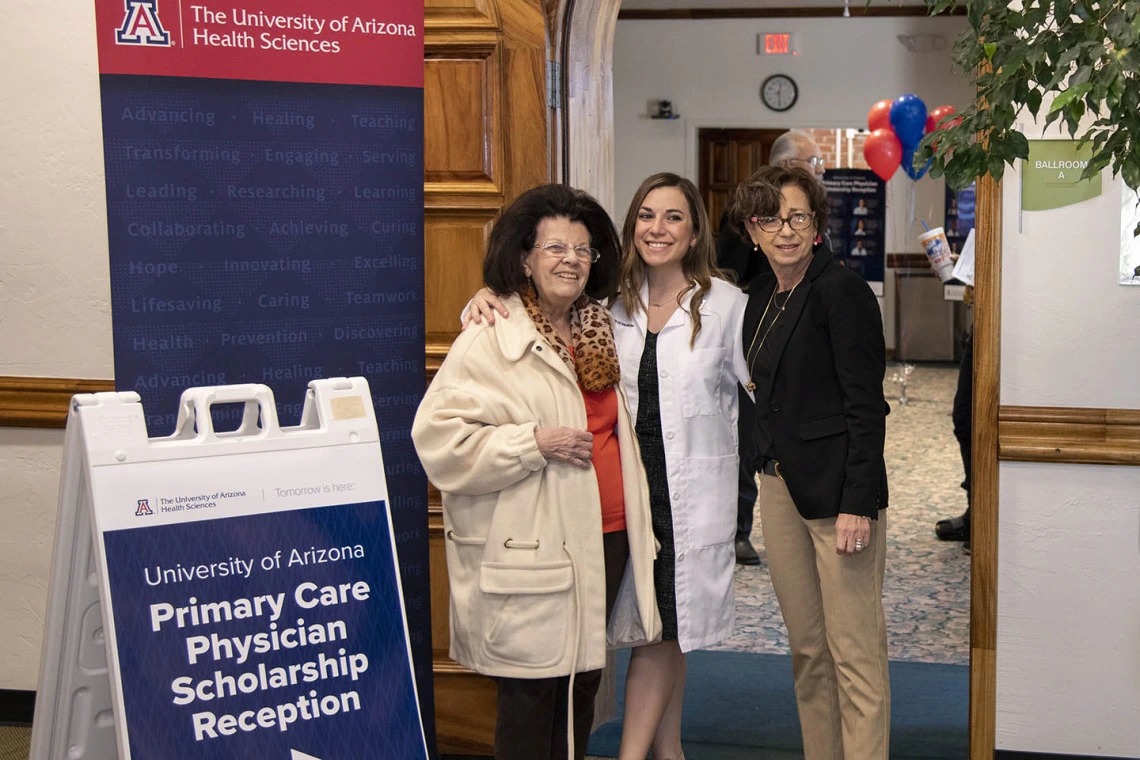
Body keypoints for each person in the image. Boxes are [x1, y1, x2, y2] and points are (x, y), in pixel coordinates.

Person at [467, 174, 750, 760]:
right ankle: (666, 750)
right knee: (648, 629)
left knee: (667, 628)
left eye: (674, 216)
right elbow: (534, 328)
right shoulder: (606, 309)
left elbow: (763, 392)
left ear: (695, 229)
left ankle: (637, 753)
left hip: (690, 497)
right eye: (646, 215)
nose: (658, 228)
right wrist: (480, 295)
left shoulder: (728, 306)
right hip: (619, 497)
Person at [412, 184, 662, 760]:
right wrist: (532, 442)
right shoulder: (491, 335)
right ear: (524, 257)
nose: (571, 260)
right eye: (554, 248)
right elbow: (440, 442)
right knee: (531, 697)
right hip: (535, 548)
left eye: (582, 250)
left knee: (581, 687)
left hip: (608, 536)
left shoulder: (601, 327)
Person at [730, 165, 891, 759]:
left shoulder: (840, 291)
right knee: (807, 649)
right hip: (778, 490)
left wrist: (859, 502)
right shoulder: (757, 299)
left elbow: (865, 409)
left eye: (798, 216)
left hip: (837, 497)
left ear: (818, 224)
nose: (785, 230)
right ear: (753, 229)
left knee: (855, 652)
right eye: (770, 219)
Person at [718, 128, 827, 567]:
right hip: (752, 345)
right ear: (787, 166)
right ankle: (739, 530)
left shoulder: (810, 219)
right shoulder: (746, 220)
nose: (819, 172)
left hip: (801, 349)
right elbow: (725, 278)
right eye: (812, 164)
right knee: (748, 436)